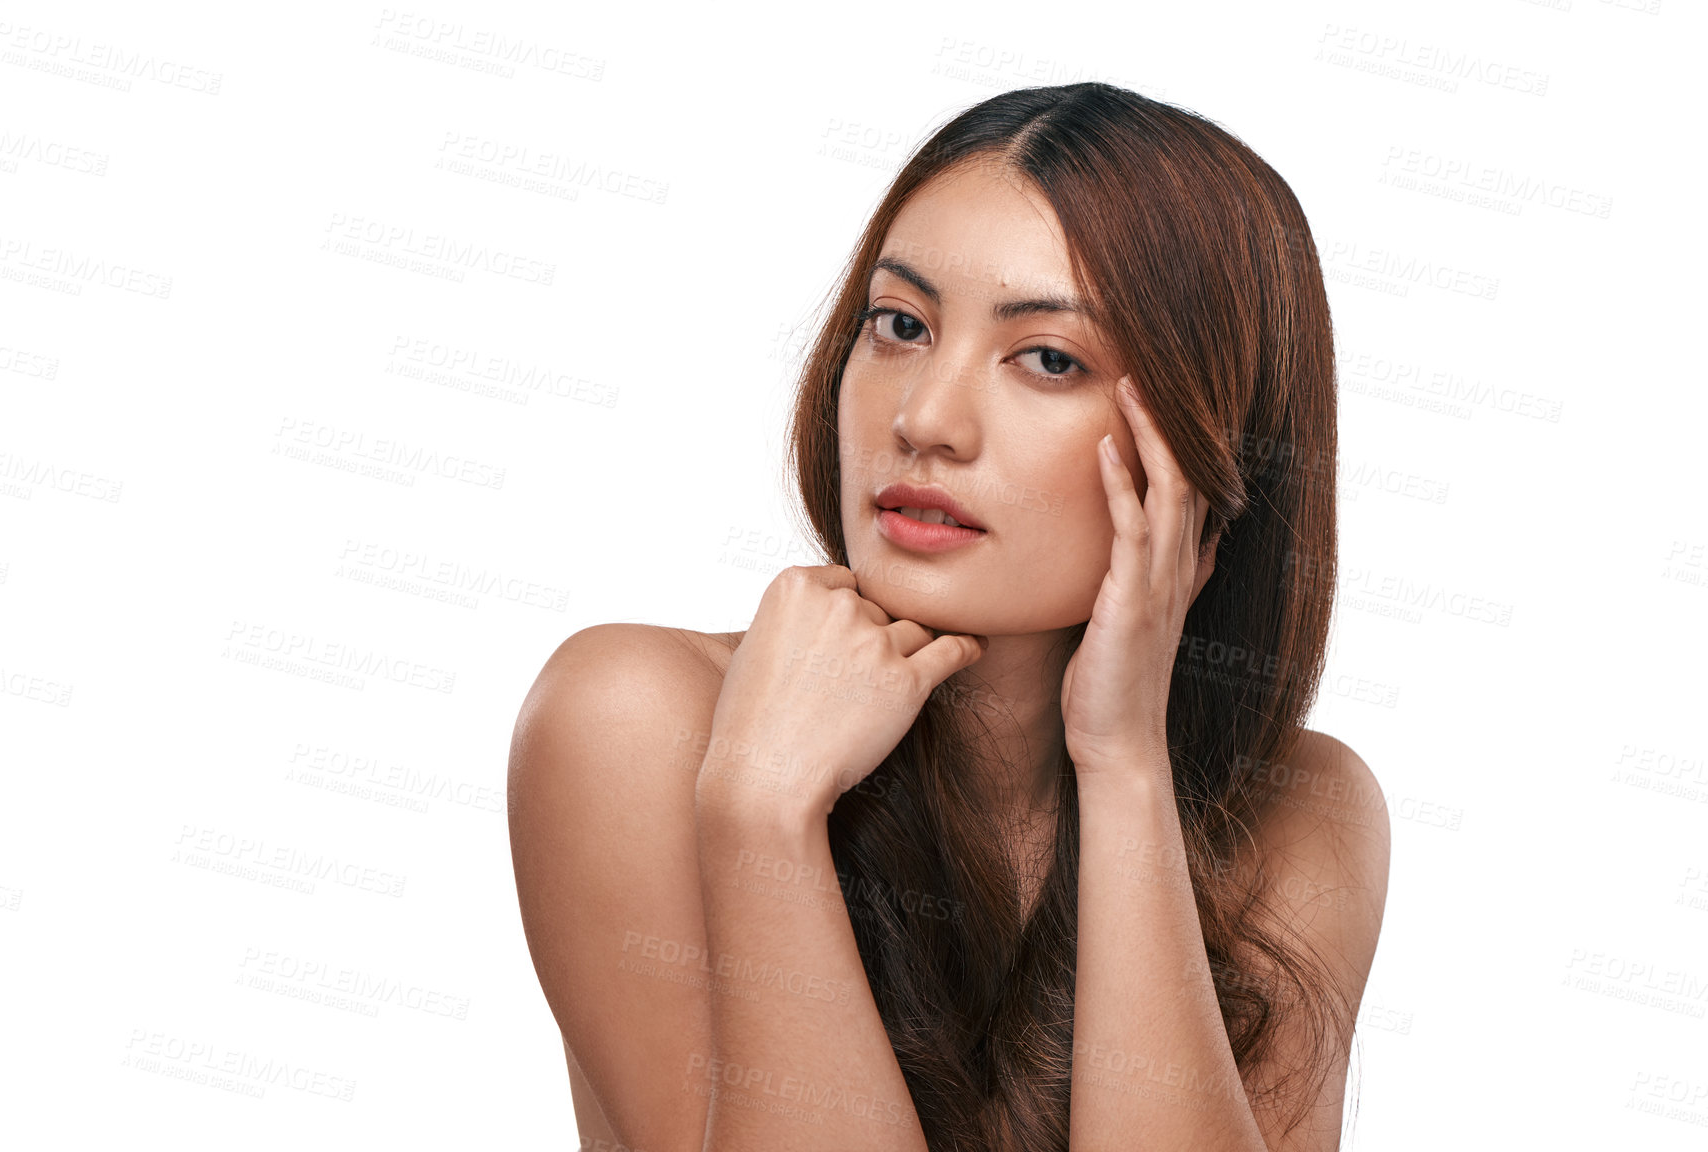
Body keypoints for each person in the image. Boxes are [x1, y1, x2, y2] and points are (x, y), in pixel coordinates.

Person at [508, 81, 1391, 1152]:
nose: (924, 418)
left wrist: (1122, 765)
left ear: (1208, 452)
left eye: (1048, 358)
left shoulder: (1297, 814)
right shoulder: (635, 721)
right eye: (899, 326)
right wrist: (761, 811)